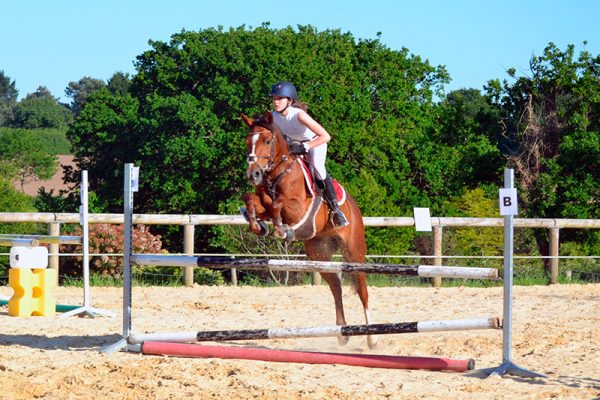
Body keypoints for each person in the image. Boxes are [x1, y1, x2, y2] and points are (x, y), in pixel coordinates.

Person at [269, 81, 349, 228]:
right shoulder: (273, 117)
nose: (276, 102)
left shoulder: (299, 115)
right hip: (293, 146)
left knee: (318, 169)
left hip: (314, 143)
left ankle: (336, 210)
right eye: (274, 98)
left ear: (290, 101)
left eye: (279, 98)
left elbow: (325, 136)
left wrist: (306, 146)